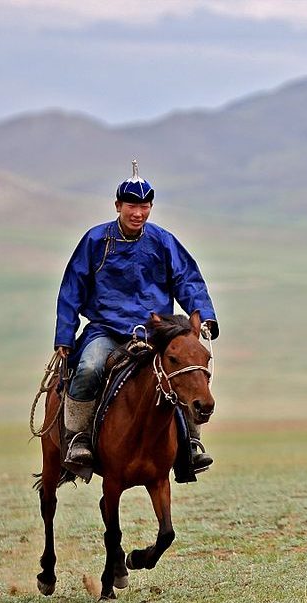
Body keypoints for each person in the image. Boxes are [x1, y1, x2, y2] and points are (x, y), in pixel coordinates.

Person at [54, 161, 219, 479]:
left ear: (150, 207)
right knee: (87, 368)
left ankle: (191, 445)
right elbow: (72, 287)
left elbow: (188, 279)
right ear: (118, 206)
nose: (138, 213)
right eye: (132, 205)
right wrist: (64, 334)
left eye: (144, 206)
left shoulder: (163, 241)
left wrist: (206, 316)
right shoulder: (95, 241)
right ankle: (79, 440)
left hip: (154, 331)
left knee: (182, 371)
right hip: (106, 329)